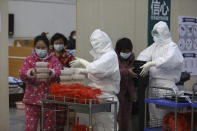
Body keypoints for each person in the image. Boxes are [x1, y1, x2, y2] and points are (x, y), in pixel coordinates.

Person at [70, 29, 120, 131]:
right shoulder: (100, 57)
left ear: (104, 42)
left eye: (97, 43)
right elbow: (97, 73)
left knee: (106, 128)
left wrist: (83, 63)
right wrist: (83, 72)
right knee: (96, 126)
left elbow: (96, 68)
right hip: (96, 96)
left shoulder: (111, 55)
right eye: (93, 43)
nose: (95, 46)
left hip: (107, 98)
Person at [137, 21, 184, 121]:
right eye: (154, 33)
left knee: (164, 118)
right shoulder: (155, 46)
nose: (155, 36)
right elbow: (143, 55)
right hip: (153, 85)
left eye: (157, 33)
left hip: (166, 88)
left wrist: (152, 63)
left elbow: (169, 59)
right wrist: (139, 65)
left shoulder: (172, 47)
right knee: (154, 118)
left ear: (164, 33)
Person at [19, 33, 61, 131]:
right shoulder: (29, 60)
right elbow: (21, 74)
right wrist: (31, 73)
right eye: (38, 47)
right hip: (31, 101)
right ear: (34, 48)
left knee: (49, 128)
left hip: (49, 100)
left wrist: (51, 72)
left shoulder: (54, 60)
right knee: (30, 127)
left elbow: (60, 73)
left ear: (48, 48)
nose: (40, 49)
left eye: (43, 47)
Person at [50, 33, 75, 131]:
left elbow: (74, 70)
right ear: (52, 44)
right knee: (49, 113)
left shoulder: (69, 56)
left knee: (61, 114)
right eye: (56, 43)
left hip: (63, 89)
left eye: (61, 43)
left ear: (64, 44)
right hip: (50, 88)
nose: (59, 45)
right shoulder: (49, 56)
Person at [115, 38, 137, 131]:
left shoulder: (132, 57)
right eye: (124, 51)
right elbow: (114, 72)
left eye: (128, 51)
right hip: (117, 93)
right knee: (117, 119)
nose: (126, 53)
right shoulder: (113, 57)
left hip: (128, 94)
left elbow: (133, 71)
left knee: (126, 119)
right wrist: (127, 71)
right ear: (119, 50)